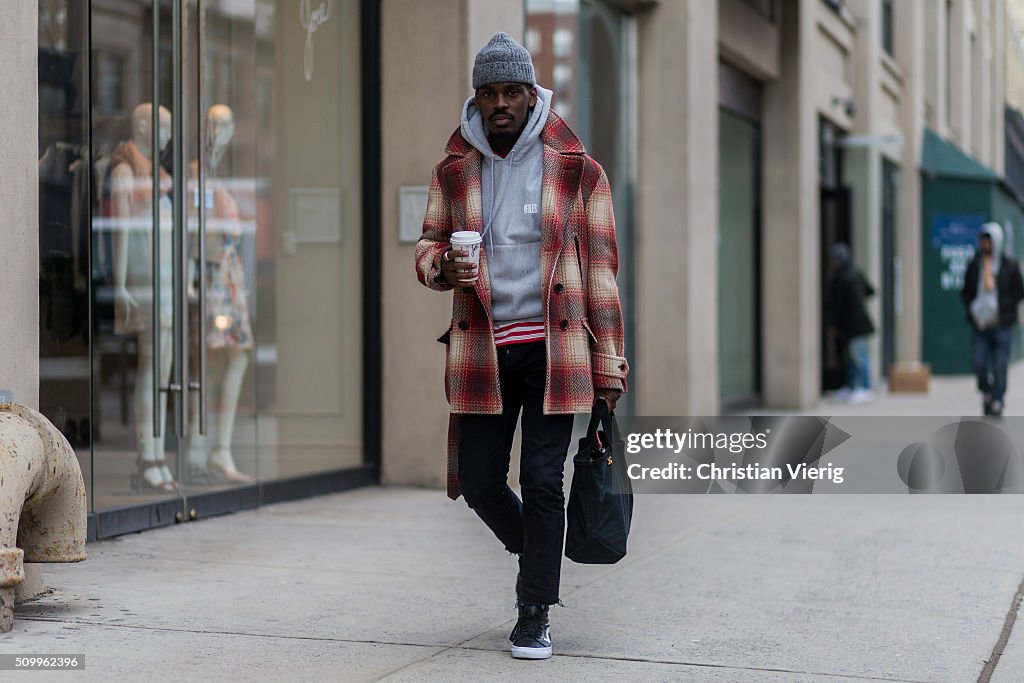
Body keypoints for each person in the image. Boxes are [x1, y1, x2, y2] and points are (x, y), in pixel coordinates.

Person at [414, 32, 628, 660]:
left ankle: (534, 611)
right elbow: (426, 248)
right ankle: (538, 550)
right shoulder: (453, 171)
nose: (500, 103)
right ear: (476, 98)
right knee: (478, 483)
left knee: (542, 481)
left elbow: (603, 273)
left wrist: (610, 363)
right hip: (483, 349)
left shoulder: (577, 169)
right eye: (489, 93)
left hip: (555, 350)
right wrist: (438, 269)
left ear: (532, 93)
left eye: (512, 91)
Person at [961, 222, 1024, 416]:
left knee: (1000, 364)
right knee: (978, 361)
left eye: (989, 241)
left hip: (1002, 323)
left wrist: (1003, 307)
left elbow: (1019, 292)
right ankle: (987, 392)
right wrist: (973, 308)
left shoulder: (1009, 266)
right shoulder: (975, 265)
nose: (985, 245)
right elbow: (966, 291)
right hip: (980, 324)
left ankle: (997, 399)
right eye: (983, 240)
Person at [827, 243, 876, 404]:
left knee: (860, 357)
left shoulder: (846, 277)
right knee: (852, 357)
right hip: (850, 325)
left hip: (855, 325)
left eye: (834, 259)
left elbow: (845, 304)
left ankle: (866, 388)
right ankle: (852, 386)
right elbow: (869, 291)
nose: (832, 263)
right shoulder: (849, 274)